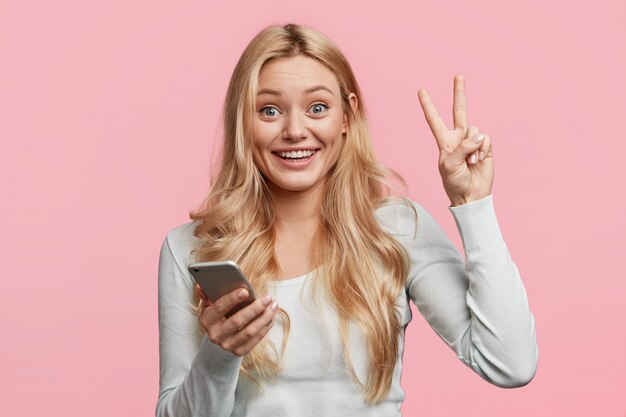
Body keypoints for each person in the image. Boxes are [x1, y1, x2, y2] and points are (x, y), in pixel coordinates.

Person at [156, 23, 538, 417]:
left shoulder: (399, 230)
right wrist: (219, 355)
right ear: (243, 122)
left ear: (346, 115)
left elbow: (511, 363)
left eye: (317, 108)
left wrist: (472, 203)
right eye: (269, 110)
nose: (295, 130)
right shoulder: (191, 249)